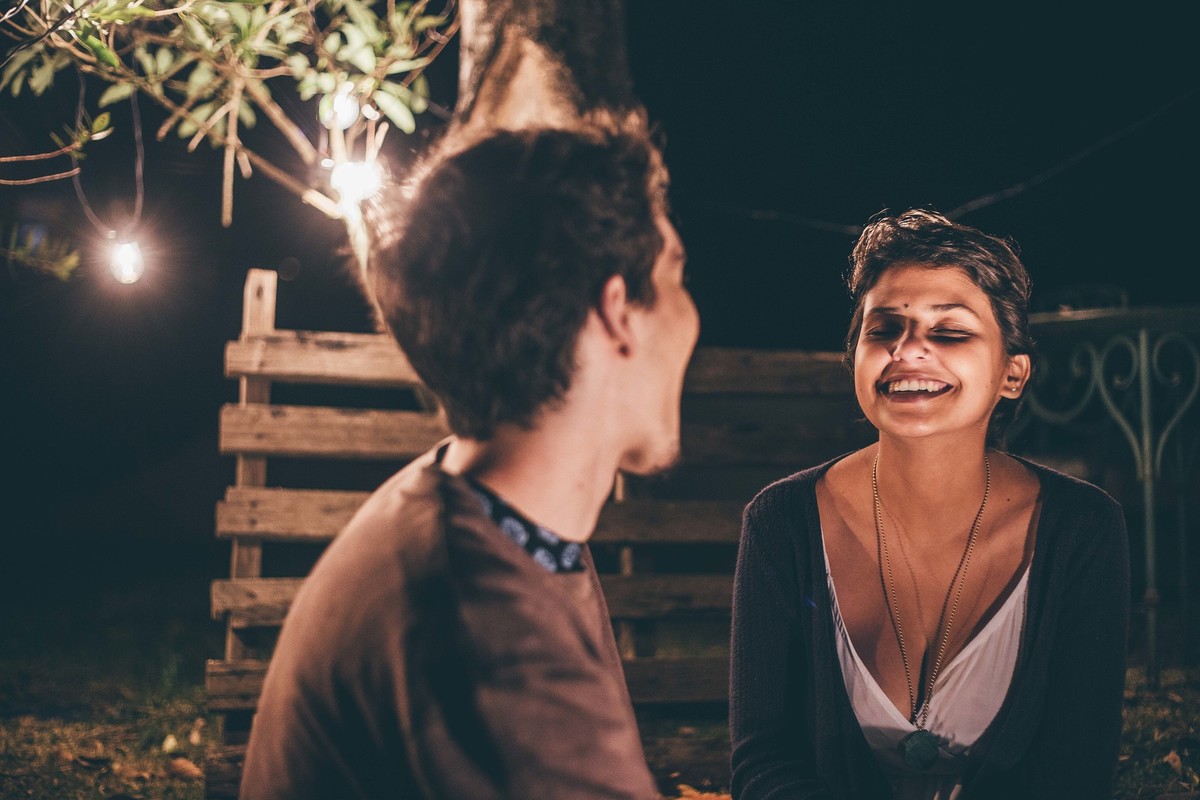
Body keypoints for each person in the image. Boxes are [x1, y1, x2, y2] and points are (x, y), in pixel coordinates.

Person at [240, 127, 699, 799]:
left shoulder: (489, 525)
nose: (693, 314)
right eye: (675, 275)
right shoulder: (488, 629)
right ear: (618, 312)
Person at [729, 209, 1130, 799]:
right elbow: (763, 763)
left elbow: (1075, 773)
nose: (908, 349)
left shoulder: (1082, 528)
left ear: (1012, 374)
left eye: (950, 332)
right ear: (856, 359)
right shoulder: (781, 522)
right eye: (883, 328)